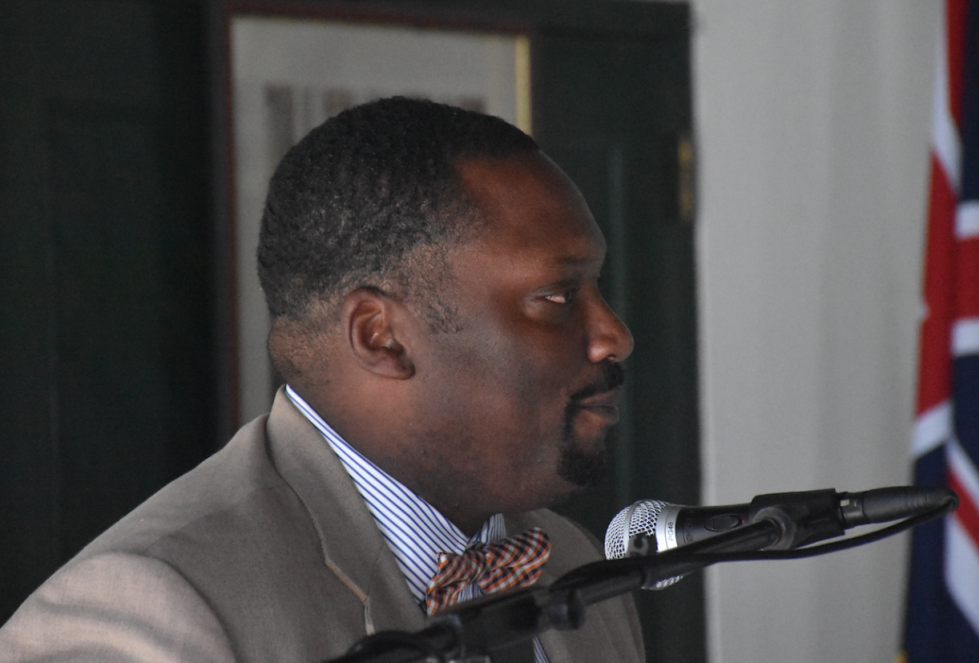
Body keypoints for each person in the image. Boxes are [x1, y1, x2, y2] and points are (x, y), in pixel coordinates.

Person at [0, 97, 644, 663]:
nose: (614, 335)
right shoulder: (151, 607)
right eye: (558, 296)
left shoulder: (574, 564)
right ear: (381, 337)